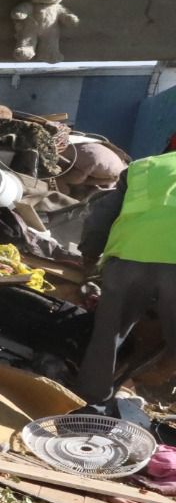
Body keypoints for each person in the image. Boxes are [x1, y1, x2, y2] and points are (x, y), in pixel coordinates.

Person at [74, 140, 176, 408]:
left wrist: (89, 256)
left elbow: (101, 216)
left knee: (108, 336)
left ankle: (91, 405)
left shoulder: (142, 167)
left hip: (128, 260)